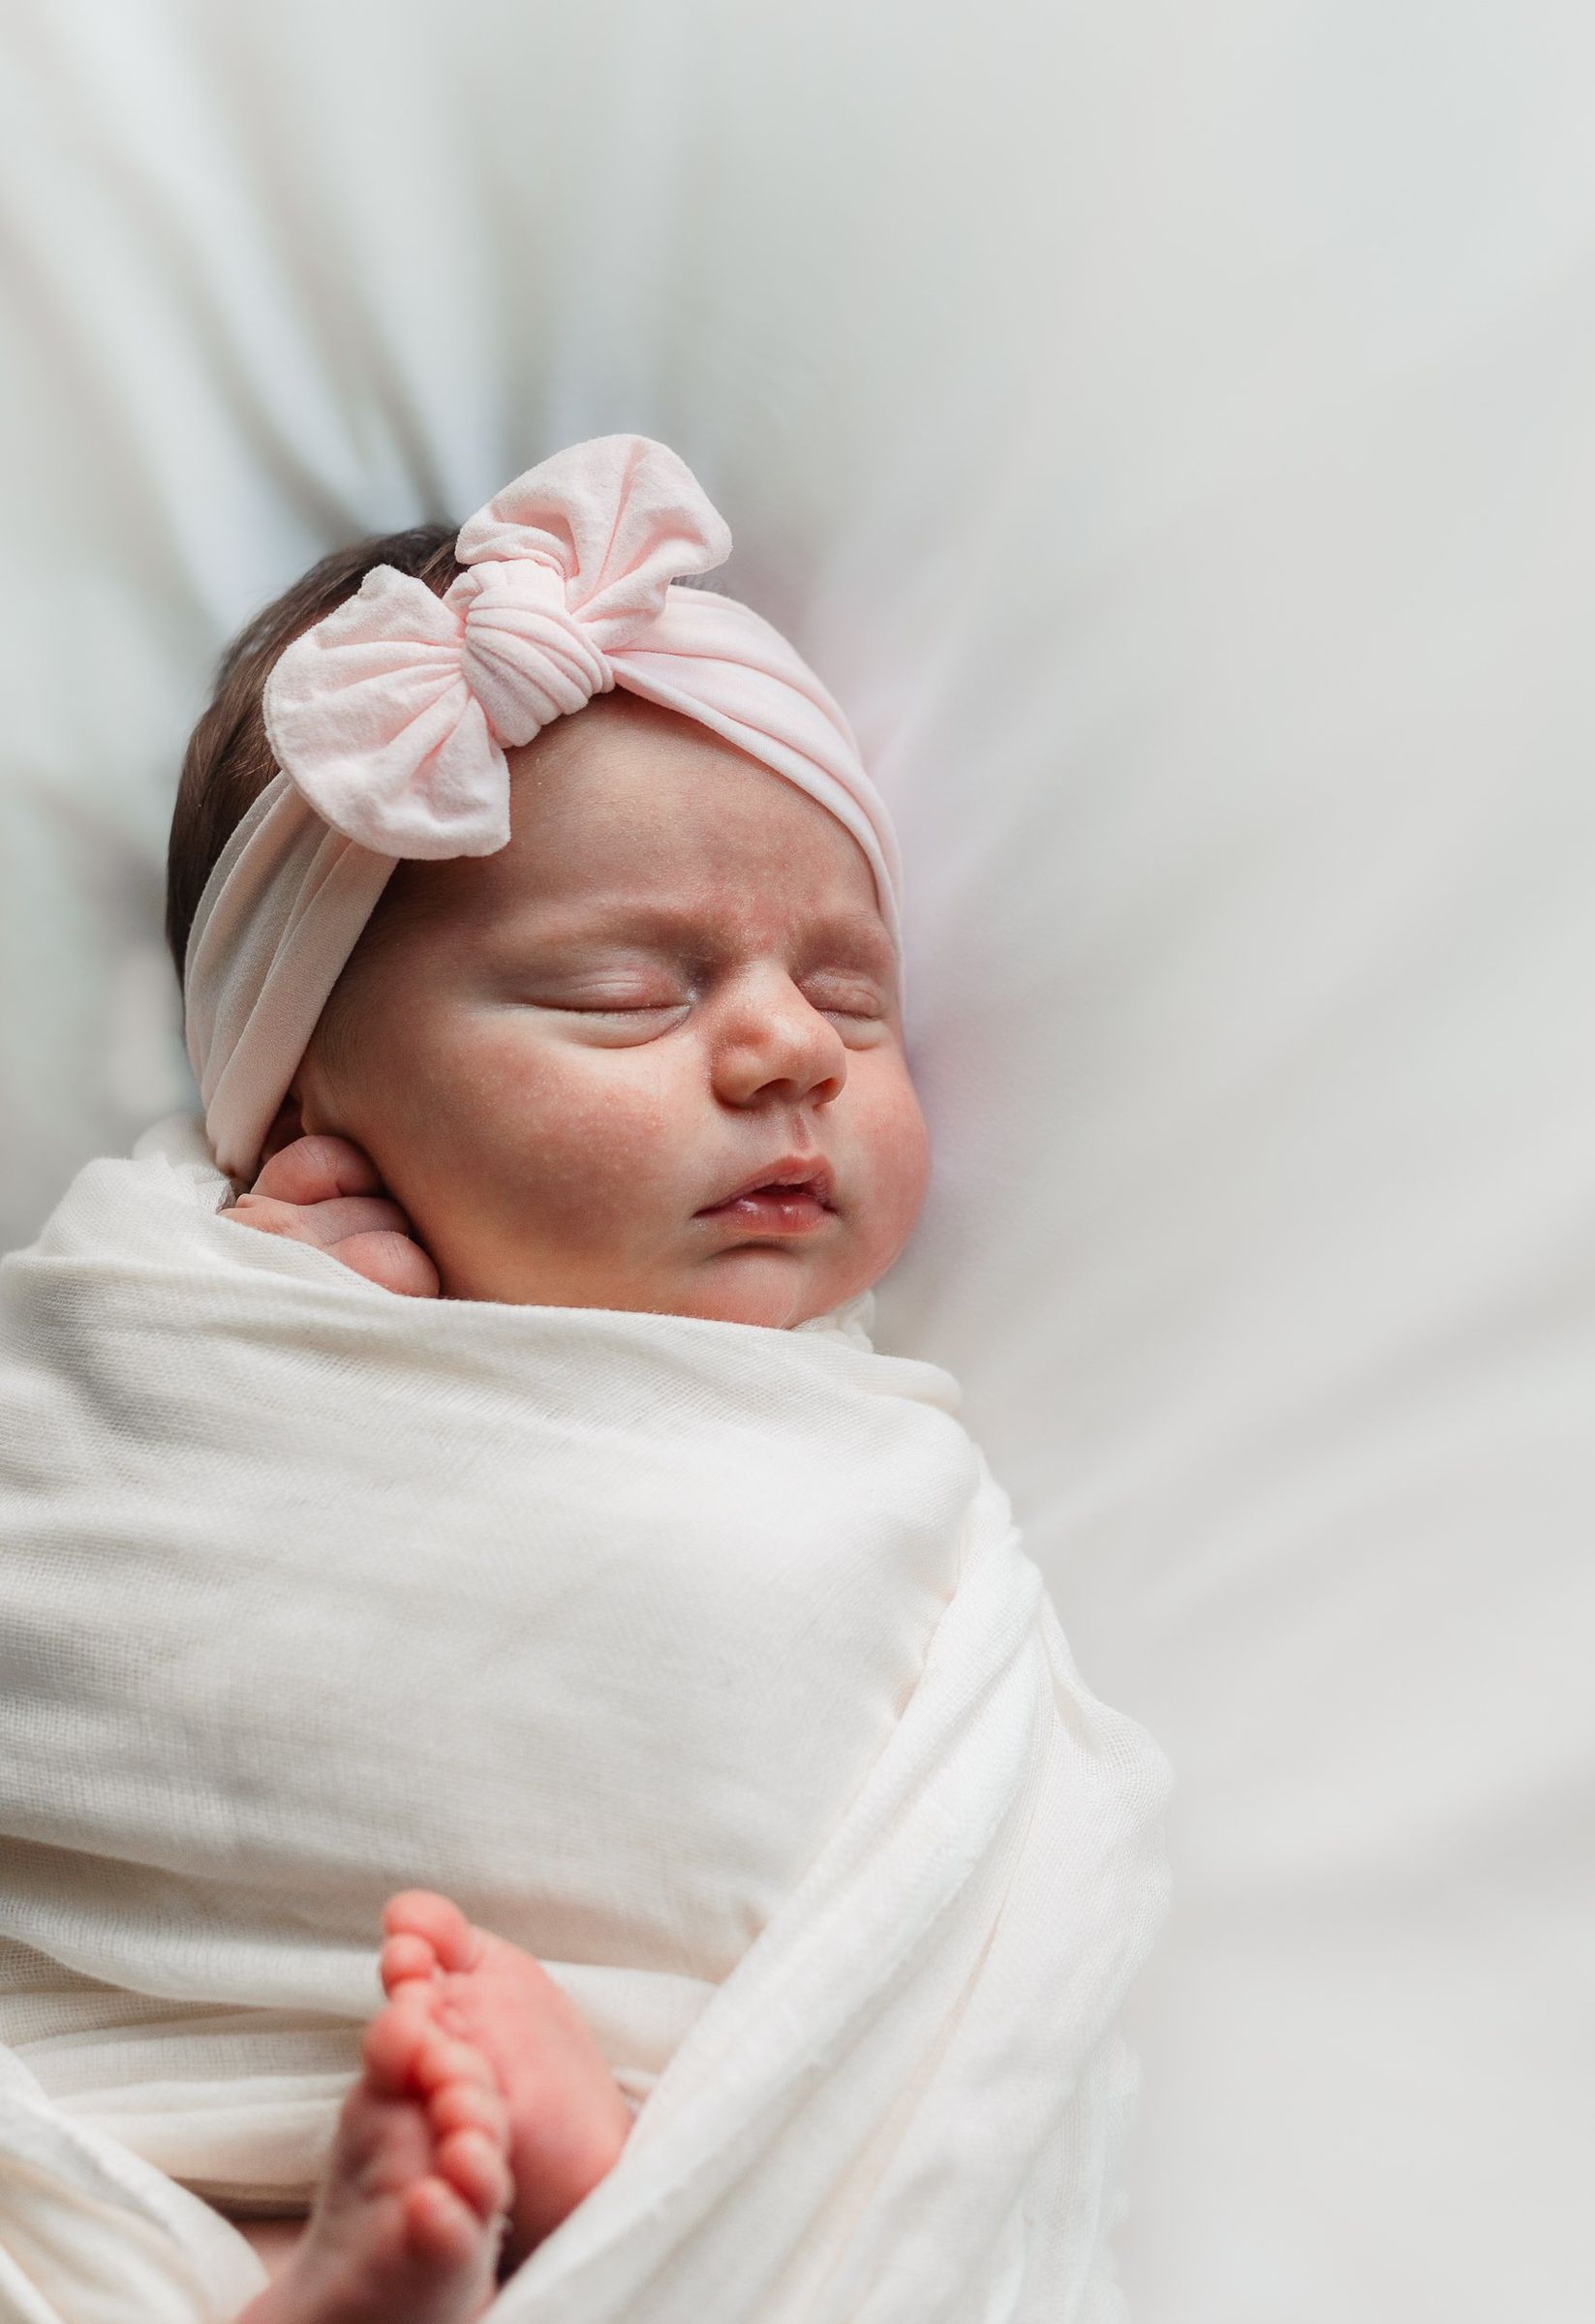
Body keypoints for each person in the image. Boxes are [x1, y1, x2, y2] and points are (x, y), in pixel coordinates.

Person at [0, 436, 1169, 2324]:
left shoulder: (859, 1444)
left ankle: (595, 2215)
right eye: (631, 991)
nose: (788, 1047)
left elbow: (947, 1851)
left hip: (696, 2099)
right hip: (127, 2108)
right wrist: (265, 1366)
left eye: (855, 997)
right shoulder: (161, 1320)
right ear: (305, 1090)